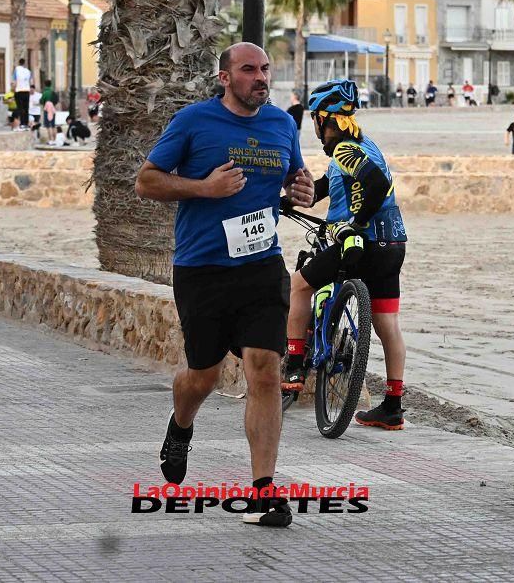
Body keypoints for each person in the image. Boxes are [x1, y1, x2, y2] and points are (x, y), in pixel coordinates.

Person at [135, 42, 313, 527]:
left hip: (260, 266)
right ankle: (181, 424)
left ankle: (263, 492)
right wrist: (203, 188)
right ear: (224, 77)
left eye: (265, 69)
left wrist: (302, 188)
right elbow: (147, 181)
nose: (260, 77)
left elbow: (296, 176)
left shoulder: (280, 123)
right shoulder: (194, 122)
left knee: (264, 370)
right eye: (248, 69)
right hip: (203, 269)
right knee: (203, 377)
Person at [280, 79, 409, 432]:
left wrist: (355, 224)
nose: (316, 130)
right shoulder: (367, 146)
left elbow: (376, 184)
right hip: (393, 244)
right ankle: (393, 405)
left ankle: (293, 365)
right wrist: (288, 201)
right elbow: (329, 186)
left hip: (361, 242)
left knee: (298, 287)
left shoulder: (345, 151)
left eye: (316, 122)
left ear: (326, 120)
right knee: (387, 325)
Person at [13, 58, 32, 128]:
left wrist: (14, 89)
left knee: (20, 108)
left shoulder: (16, 70)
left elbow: (14, 81)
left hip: (19, 90)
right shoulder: (28, 71)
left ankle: (21, 123)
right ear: (24, 63)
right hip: (26, 91)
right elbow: (31, 82)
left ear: (19, 63)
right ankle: (26, 123)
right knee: (26, 108)